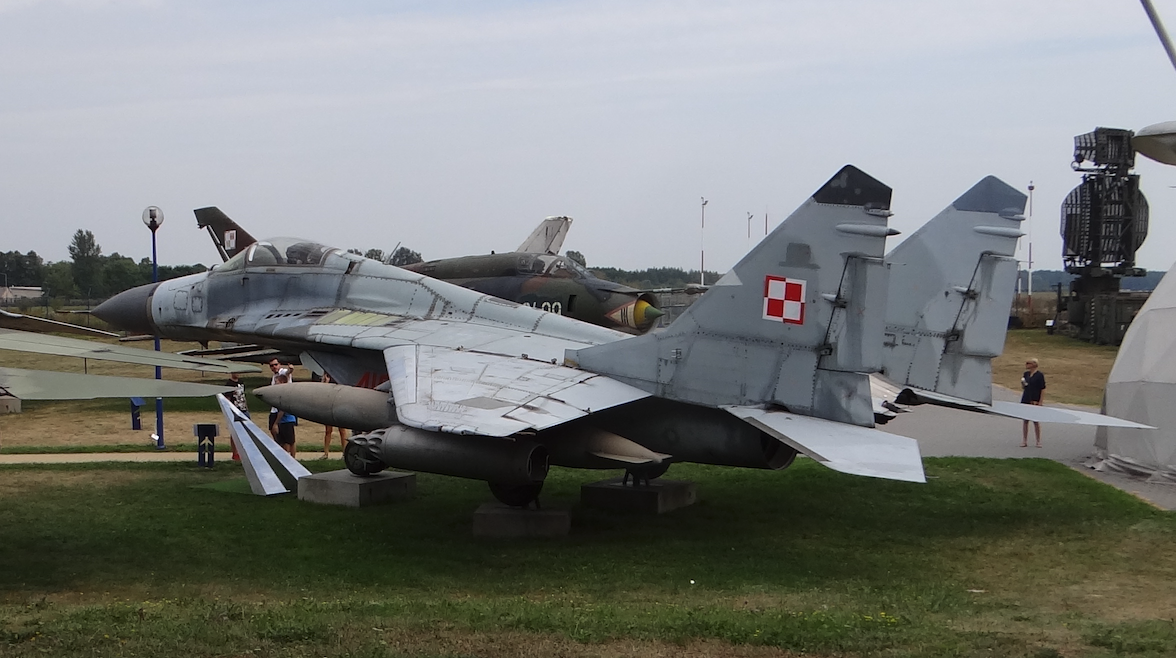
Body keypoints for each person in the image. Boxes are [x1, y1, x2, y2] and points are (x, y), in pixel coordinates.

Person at [320, 372, 348, 459]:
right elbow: (322, 391)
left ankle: (344, 453)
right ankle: (326, 453)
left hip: (338, 406)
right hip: (329, 407)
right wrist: (325, 382)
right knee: (328, 431)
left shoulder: (339, 379)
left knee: (342, 431)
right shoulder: (326, 379)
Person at [1020, 357, 1046, 448]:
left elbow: (1043, 389)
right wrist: (1023, 384)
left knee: (1035, 421)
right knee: (1025, 420)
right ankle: (1024, 440)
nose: (1026, 365)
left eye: (1028, 363)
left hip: (1035, 399)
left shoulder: (1039, 375)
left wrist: (1040, 401)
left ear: (1034, 364)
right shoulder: (1026, 374)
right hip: (1026, 398)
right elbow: (1024, 387)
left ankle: (1038, 441)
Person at [270, 372, 297, 457]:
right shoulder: (281, 393)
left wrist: (275, 423)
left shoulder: (284, 394)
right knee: (284, 441)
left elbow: (282, 410)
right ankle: (287, 458)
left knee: (290, 441)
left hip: (287, 420)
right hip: (283, 421)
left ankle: (291, 459)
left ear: (282, 382)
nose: (275, 383)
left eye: (277, 381)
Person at [224, 371, 249, 461]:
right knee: (235, 432)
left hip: (243, 408)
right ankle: (235, 453)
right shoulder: (229, 384)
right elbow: (227, 399)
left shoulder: (241, 382)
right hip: (235, 410)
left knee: (246, 431)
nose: (237, 374)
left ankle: (244, 451)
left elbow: (243, 396)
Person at [266, 358, 291, 437]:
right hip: (275, 408)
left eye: (276, 364)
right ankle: (279, 446)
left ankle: (283, 447)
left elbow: (288, 372)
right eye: (271, 365)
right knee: (273, 429)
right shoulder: (274, 376)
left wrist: (291, 369)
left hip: (282, 405)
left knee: (287, 435)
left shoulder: (282, 372)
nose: (274, 367)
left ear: (279, 364)